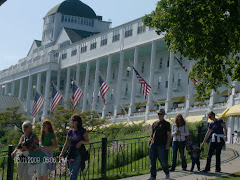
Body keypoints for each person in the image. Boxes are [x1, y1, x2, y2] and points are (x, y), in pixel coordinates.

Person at [59, 114, 89, 180]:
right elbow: (66, 143)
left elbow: (87, 141)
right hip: (71, 152)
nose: (72, 122)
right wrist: (61, 153)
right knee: (71, 171)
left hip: (79, 152)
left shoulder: (82, 131)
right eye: (72, 120)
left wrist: (81, 142)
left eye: (74, 120)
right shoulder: (70, 132)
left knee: (74, 172)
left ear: (78, 122)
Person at [149, 109, 171, 180]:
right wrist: (150, 140)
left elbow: (168, 135)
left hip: (161, 144)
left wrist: (168, 144)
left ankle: (167, 172)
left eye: (161, 114)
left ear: (164, 115)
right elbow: (152, 133)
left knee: (162, 161)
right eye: (159, 114)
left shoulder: (166, 124)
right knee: (152, 161)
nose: (160, 115)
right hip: (153, 144)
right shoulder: (154, 123)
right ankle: (153, 176)